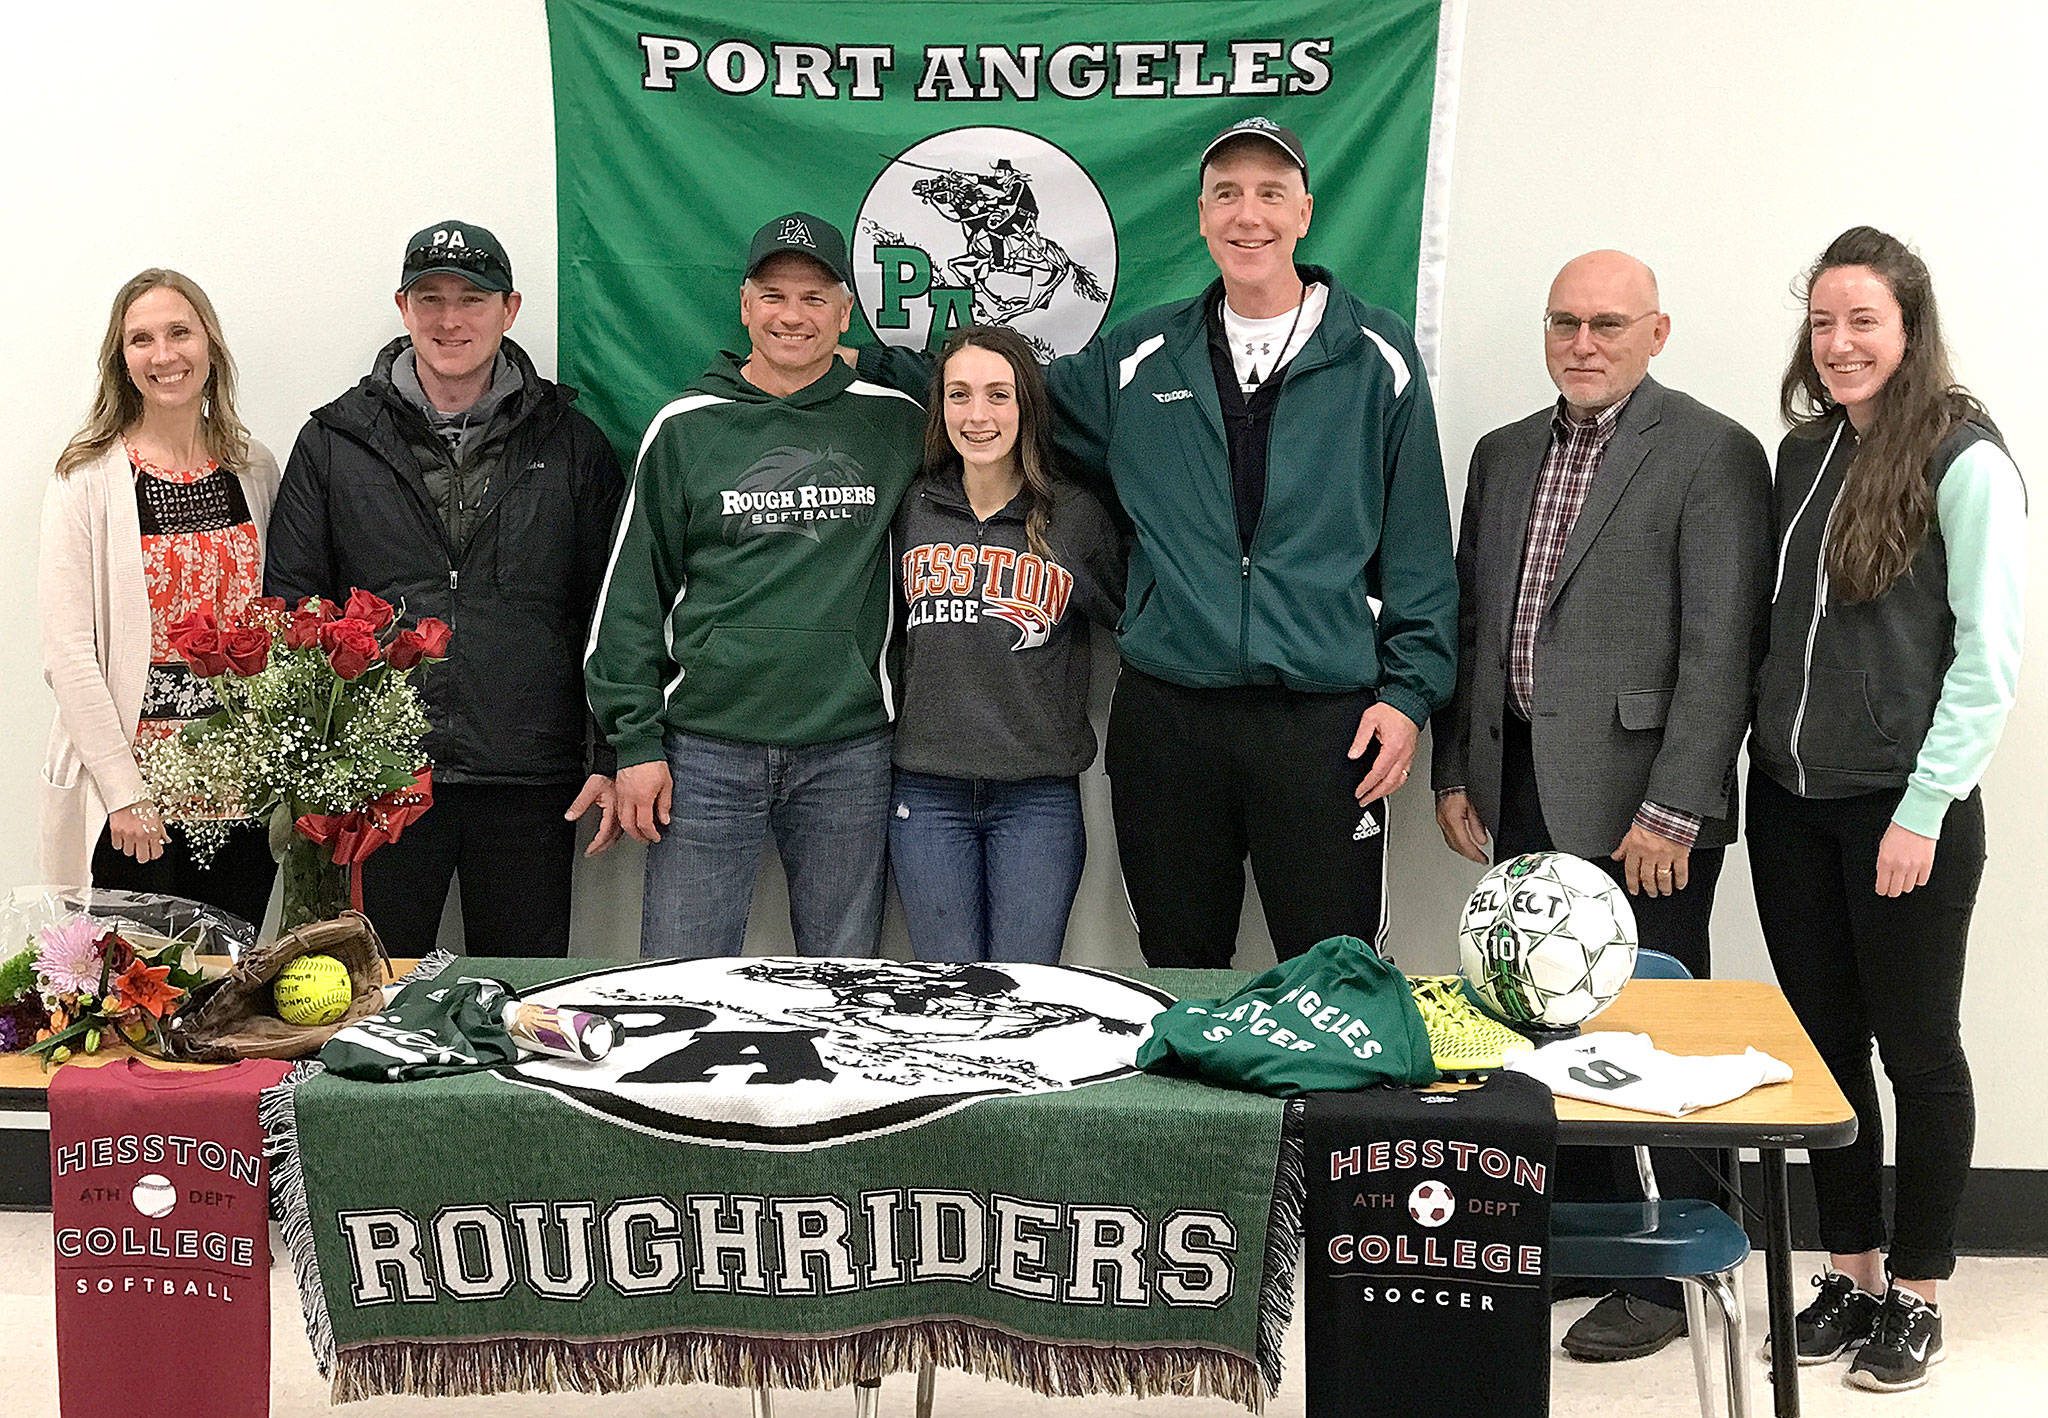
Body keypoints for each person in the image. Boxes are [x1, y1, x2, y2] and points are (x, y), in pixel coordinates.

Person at [860, 118, 1456, 967]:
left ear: (1304, 212)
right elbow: (1004, 393)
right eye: (1227, 194)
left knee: (1336, 970)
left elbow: (1420, 547)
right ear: (1202, 216)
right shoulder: (1141, 356)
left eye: (1271, 193)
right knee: (1178, 968)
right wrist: (856, 365)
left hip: (1323, 719)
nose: (1248, 214)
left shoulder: (1377, 355)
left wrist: (1408, 694)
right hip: (1169, 719)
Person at [1430, 250, 1773, 1361]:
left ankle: (1675, 1270)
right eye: (1564, 322)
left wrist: (1677, 806)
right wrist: (1455, 769)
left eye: (1607, 324)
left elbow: (1722, 648)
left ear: (1655, 333)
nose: (1582, 343)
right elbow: (1473, 626)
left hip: (1643, 803)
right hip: (1518, 780)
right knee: (1538, 1017)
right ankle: (1582, 1235)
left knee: (1657, 1027)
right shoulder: (1501, 453)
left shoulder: (1713, 451)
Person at [1747, 227, 2024, 1393]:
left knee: (1919, 1050)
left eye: (1862, 319)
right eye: (1821, 321)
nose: (1838, 341)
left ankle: (1916, 1292)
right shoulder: (1802, 452)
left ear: (1908, 329)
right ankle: (1850, 1272)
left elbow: (1987, 659)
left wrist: (1921, 807)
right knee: (1823, 1051)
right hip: (1790, 802)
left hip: (1903, 812)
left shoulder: (1962, 459)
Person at [264, 221, 625, 958]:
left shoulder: (572, 444)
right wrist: (314, 765)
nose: (450, 319)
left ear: (510, 309)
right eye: (430, 298)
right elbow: (294, 607)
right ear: (403, 308)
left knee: (518, 996)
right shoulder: (334, 440)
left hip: (528, 773)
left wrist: (608, 757)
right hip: (379, 776)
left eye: (472, 299)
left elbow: (610, 614)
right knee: (370, 993)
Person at [587, 213, 926, 959]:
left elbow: (997, 408)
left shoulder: (899, 424)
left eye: (814, 298)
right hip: (703, 752)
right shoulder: (685, 426)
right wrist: (633, 744)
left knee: (843, 985)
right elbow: (631, 599)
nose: (792, 316)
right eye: (773, 296)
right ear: (744, 305)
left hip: (851, 749)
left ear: (845, 313)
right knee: (682, 979)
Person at [39, 270, 280, 924]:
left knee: (230, 973)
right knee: (132, 980)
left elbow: (273, 621)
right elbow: (69, 655)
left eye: (179, 332)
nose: (164, 354)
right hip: (132, 793)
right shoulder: (86, 478)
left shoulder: (252, 466)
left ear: (210, 345)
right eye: (141, 339)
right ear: (121, 360)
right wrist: (124, 793)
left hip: (238, 786)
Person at [889, 326, 1124, 963]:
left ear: (1028, 407)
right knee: (945, 992)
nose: (978, 415)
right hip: (927, 791)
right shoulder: (913, 508)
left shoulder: (1075, 516)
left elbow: (1140, 623)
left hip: (1036, 795)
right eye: (959, 395)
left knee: (1028, 992)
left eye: (999, 395)